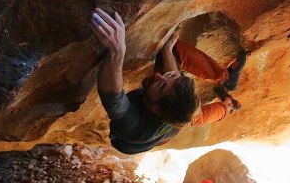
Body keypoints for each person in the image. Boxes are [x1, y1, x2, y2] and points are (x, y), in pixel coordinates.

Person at [88, 8, 247, 155]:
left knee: (196, 117)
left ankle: (227, 108)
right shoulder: (176, 107)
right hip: (178, 118)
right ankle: (226, 81)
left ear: (155, 108)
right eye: (170, 77)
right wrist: (167, 50)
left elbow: (114, 100)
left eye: (161, 85)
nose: (158, 76)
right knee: (192, 114)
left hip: (127, 142)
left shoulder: (137, 127)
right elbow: (172, 75)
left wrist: (117, 51)